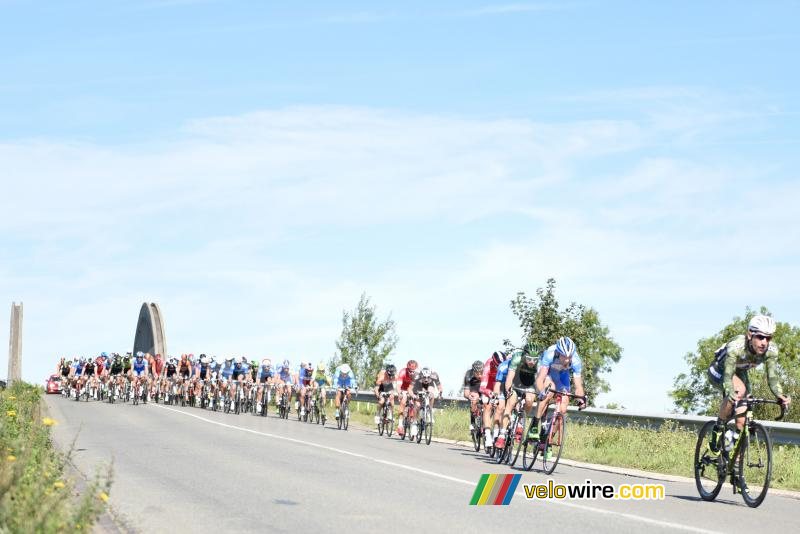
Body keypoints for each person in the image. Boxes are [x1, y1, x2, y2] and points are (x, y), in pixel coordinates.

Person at [706, 315, 791, 455]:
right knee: (739, 389)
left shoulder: (771, 351)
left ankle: (733, 465)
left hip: (740, 374)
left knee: (741, 423)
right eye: (760, 337)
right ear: (750, 334)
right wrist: (732, 392)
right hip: (720, 371)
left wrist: (780, 395)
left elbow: (772, 378)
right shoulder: (737, 346)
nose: (764, 342)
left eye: (768, 338)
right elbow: (728, 376)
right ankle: (718, 429)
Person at [532, 337, 586, 439]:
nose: (567, 360)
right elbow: (540, 379)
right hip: (548, 373)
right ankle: (534, 424)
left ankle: (549, 438)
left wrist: (581, 399)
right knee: (548, 391)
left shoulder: (576, 361)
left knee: (563, 408)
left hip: (562, 375)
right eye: (564, 356)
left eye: (569, 357)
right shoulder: (550, 354)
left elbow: (578, 386)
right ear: (558, 352)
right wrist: (541, 392)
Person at [479, 350, 505, 449]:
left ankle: (497, 432)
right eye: (497, 366)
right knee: (487, 405)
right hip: (489, 384)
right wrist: (489, 393)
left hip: (500, 383)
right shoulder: (488, 365)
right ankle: (487, 434)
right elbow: (482, 387)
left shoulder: (505, 365)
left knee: (501, 407)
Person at [408, 367, 443, 437]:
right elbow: (410, 389)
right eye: (424, 377)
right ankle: (414, 423)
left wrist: (440, 394)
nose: (426, 379)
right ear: (421, 375)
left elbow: (439, 387)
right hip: (418, 386)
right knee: (417, 405)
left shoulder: (434, 375)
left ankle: (429, 411)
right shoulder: (416, 376)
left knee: (431, 394)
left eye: (428, 377)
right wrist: (414, 396)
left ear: (430, 375)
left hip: (430, 386)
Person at [395, 360, 418, 437]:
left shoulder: (418, 373)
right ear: (407, 368)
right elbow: (398, 386)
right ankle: (400, 425)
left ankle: (413, 422)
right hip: (403, 389)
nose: (411, 373)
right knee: (404, 401)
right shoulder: (403, 372)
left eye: (413, 371)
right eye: (410, 371)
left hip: (412, 389)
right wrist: (399, 393)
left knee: (416, 403)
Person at [463, 360, 483, 432]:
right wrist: (470, 396)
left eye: (481, 373)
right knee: (474, 399)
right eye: (477, 373)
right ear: (473, 371)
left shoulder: (486, 373)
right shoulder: (468, 375)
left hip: (482, 387)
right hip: (473, 388)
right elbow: (465, 393)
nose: (480, 375)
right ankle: (472, 422)